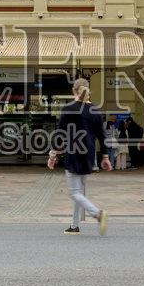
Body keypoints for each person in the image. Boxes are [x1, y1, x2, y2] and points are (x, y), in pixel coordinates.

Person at [46, 78, 110, 235]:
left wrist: (53, 155)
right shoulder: (95, 109)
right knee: (79, 191)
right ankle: (74, 225)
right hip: (89, 154)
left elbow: (60, 133)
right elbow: (102, 135)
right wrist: (105, 156)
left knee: (74, 192)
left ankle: (98, 214)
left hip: (74, 152)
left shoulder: (69, 109)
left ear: (74, 91)